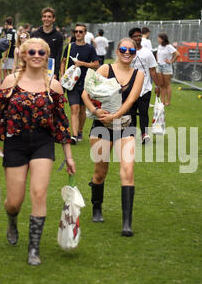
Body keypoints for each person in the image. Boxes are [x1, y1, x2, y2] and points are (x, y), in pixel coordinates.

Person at [0, 38, 76, 266]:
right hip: (15, 143)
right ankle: (12, 220)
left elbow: (61, 123)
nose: (36, 55)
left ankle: (33, 249)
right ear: (24, 55)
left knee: (39, 194)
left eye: (41, 52)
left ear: (47, 56)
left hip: (42, 144)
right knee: (14, 201)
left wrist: (68, 156)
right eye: (32, 51)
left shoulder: (54, 85)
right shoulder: (10, 81)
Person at [82, 38, 144, 236]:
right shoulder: (105, 70)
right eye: (123, 49)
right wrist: (95, 110)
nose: (127, 53)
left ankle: (127, 223)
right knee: (101, 171)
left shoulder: (139, 74)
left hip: (125, 126)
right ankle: (97, 207)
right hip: (101, 126)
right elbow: (85, 93)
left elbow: (132, 99)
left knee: (128, 170)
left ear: (135, 53)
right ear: (117, 50)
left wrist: (115, 116)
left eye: (131, 50)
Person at [60, 23, 99, 144]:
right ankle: (74, 135)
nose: (78, 33)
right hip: (72, 83)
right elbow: (63, 62)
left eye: (80, 32)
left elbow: (96, 64)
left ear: (85, 33)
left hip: (85, 82)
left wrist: (82, 64)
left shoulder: (90, 48)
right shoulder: (70, 47)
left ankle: (80, 131)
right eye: (76, 31)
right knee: (74, 108)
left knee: (82, 109)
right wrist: (63, 75)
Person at [129, 27, 161, 144]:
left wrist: (158, 86)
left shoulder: (147, 52)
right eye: (135, 36)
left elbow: (152, 70)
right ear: (131, 38)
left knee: (143, 112)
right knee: (131, 113)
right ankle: (131, 135)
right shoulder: (128, 52)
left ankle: (144, 134)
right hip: (130, 88)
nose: (137, 38)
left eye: (139, 36)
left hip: (145, 88)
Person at [31, 7, 64, 79]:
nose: (46, 19)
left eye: (49, 17)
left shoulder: (59, 36)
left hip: (51, 73)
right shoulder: (34, 34)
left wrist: (56, 73)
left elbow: (58, 56)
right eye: (44, 16)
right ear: (42, 18)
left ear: (53, 19)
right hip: (36, 71)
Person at [156, 33, 180, 106]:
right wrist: (157, 60)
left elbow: (178, 54)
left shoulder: (169, 46)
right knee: (162, 85)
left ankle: (168, 102)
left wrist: (171, 61)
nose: (158, 39)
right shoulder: (159, 46)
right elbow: (157, 54)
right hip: (159, 66)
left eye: (159, 38)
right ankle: (162, 101)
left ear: (162, 39)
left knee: (167, 85)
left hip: (167, 67)